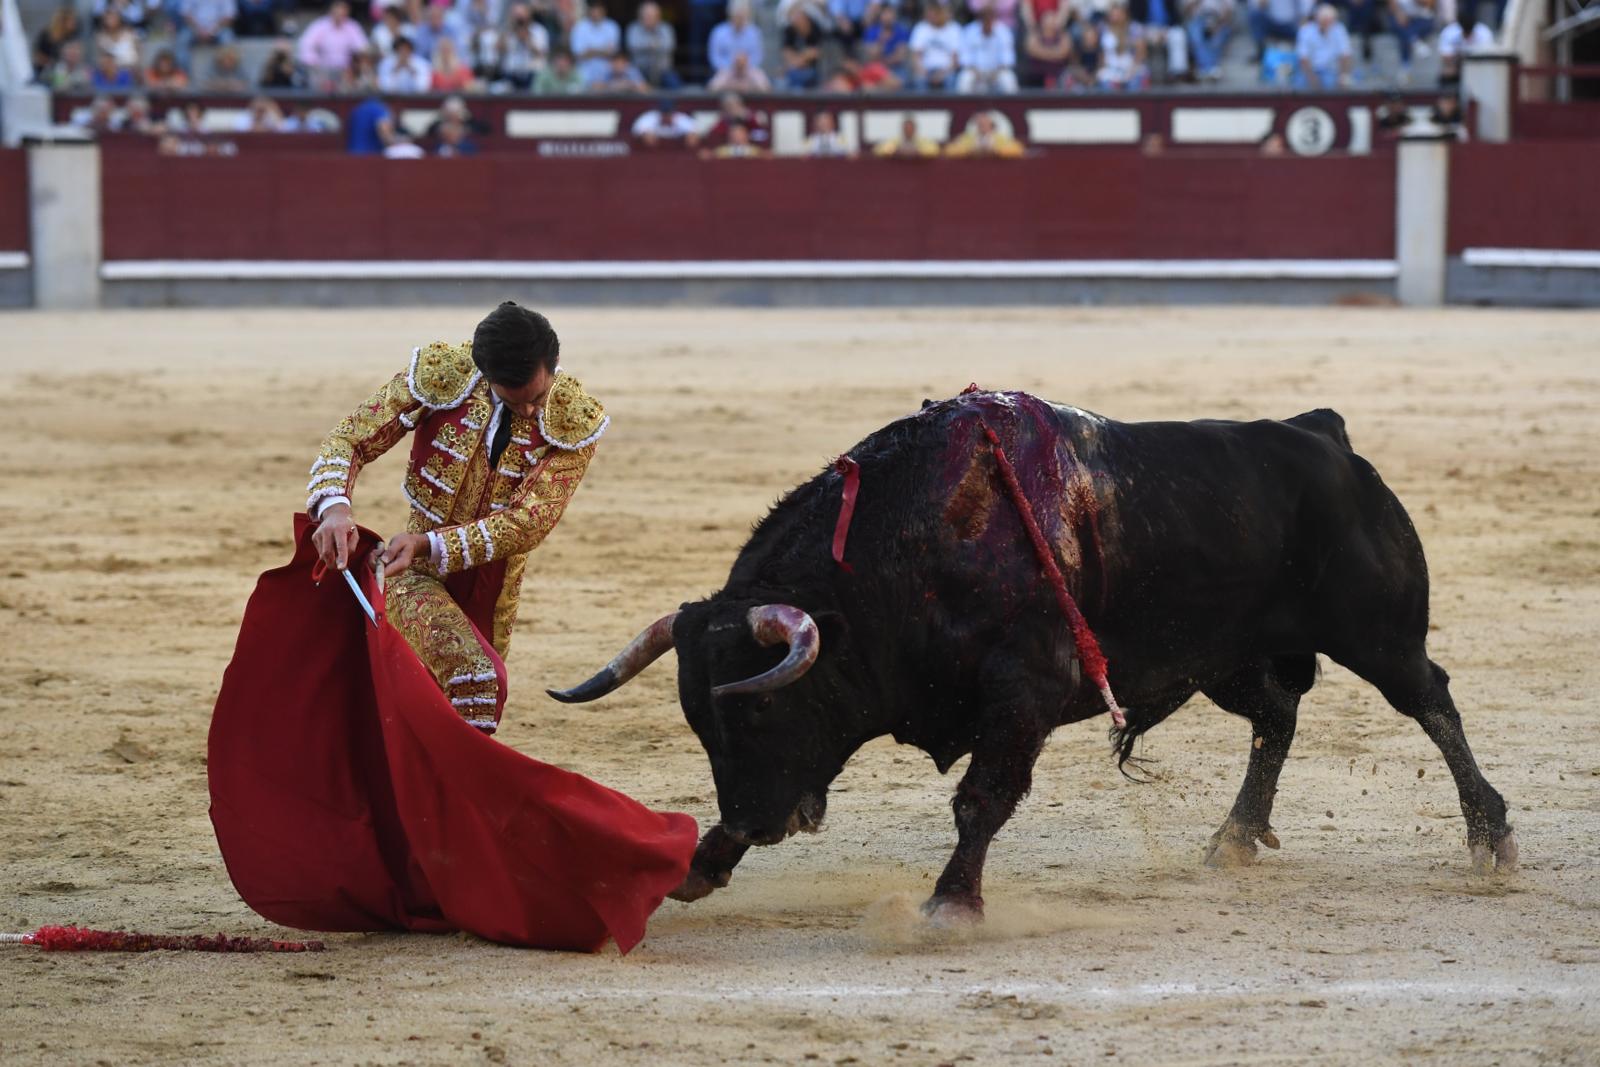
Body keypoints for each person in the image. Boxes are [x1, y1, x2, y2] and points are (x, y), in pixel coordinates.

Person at [307, 305, 608, 732]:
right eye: (512, 399)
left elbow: (528, 522)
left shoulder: (574, 420)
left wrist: (429, 543)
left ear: (554, 366)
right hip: (413, 571)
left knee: (461, 702)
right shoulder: (444, 375)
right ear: (486, 377)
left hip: (494, 585)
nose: (528, 413)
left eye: (538, 398)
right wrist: (335, 507)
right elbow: (351, 437)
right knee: (477, 681)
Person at [298, 0, 371, 92]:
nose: (340, 11)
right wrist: (315, 64)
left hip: (346, 72)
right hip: (323, 71)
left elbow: (363, 49)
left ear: (348, 10)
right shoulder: (319, 26)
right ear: (331, 9)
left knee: (363, 73)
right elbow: (306, 46)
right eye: (338, 7)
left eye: (343, 8)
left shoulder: (353, 27)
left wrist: (354, 66)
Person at [957, 4, 1019, 92]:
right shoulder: (969, 31)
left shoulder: (1004, 31)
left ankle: (1013, 106)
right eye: (985, 18)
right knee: (965, 78)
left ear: (994, 18)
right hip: (975, 72)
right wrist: (977, 73)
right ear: (979, 19)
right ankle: (962, 106)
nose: (988, 21)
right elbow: (965, 59)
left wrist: (995, 74)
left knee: (1008, 79)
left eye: (990, 18)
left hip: (997, 72)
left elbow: (1007, 60)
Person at [1295, 3, 1351, 87]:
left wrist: (1343, 75)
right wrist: (1312, 77)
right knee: (1299, 84)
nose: (1326, 23)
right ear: (1317, 19)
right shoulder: (1306, 30)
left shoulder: (1339, 29)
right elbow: (1303, 58)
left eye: (1329, 20)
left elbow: (1345, 55)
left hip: (1331, 71)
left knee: (1331, 82)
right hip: (1309, 71)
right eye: (1324, 20)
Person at [909, 2, 963, 90]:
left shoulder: (954, 29)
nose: (932, 16)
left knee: (952, 80)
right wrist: (924, 73)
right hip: (926, 71)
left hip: (947, 72)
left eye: (936, 13)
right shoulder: (921, 28)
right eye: (930, 13)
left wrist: (943, 74)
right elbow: (915, 57)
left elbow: (956, 60)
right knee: (919, 80)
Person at [627, 2, 679, 88]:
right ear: (640, 16)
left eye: (651, 16)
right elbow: (633, 46)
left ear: (658, 16)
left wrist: (645, 47)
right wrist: (652, 45)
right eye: (646, 16)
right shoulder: (633, 28)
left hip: (663, 70)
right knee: (630, 85)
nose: (648, 18)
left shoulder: (666, 28)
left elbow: (669, 47)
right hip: (639, 70)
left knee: (675, 86)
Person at [570, 1, 622, 88]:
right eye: (593, 11)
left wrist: (591, 51)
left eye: (598, 11)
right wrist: (602, 51)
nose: (595, 14)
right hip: (584, 72)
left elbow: (613, 53)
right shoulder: (579, 27)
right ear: (589, 11)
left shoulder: (612, 27)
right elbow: (578, 54)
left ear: (604, 12)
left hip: (607, 73)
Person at [1437, 6, 1492, 85]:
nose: (1468, 36)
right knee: (1448, 71)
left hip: (1478, 67)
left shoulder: (1484, 32)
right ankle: (1449, 96)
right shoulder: (1449, 32)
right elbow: (1445, 56)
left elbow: (1488, 57)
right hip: (1457, 66)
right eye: (1466, 32)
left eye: (1469, 32)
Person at [709, 0, 764, 79]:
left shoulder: (754, 32)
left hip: (749, 70)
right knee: (714, 87)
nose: (739, 19)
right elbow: (715, 57)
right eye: (736, 16)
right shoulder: (718, 32)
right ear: (730, 15)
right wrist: (732, 66)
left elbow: (758, 56)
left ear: (747, 15)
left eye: (742, 16)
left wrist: (744, 65)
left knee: (763, 85)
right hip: (725, 71)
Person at [1185, 0, 1236, 81]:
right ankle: (1210, 68)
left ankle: (1205, 70)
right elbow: (1186, 11)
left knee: (1217, 39)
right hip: (1198, 20)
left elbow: (1229, 11)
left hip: (1219, 20)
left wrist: (1218, 25)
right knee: (1196, 37)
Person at [943, 110, 1025, 156]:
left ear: (991, 125)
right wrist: (970, 150)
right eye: (980, 124)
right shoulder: (968, 138)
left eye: (985, 123)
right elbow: (949, 150)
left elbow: (1019, 150)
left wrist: (995, 150)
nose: (982, 125)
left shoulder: (1001, 139)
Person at [782, 6, 824, 89]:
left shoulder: (815, 29)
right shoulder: (789, 30)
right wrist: (803, 57)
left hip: (813, 70)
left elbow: (815, 53)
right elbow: (787, 53)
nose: (796, 22)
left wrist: (797, 61)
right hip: (794, 70)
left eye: (798, 18)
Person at [631, 98, 700, 146]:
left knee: (692, 137)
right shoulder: (649, 118)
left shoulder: (682, 119)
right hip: (654, 149)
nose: (666, 116)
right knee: (648, 136)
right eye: (664, 113)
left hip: (677, 148)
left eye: (669, 113)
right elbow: (636, 132)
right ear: (659, 111)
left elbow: (695, 133)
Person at [873, 113, 941, 156]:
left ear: (915, 128)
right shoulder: (895, 141)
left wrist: (918, 152)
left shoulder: (923, 141)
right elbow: (877, 151)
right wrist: (895, 151)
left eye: (910, 128)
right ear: (902, 128)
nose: (908, 130)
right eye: (906, 128)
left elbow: (935, 150)